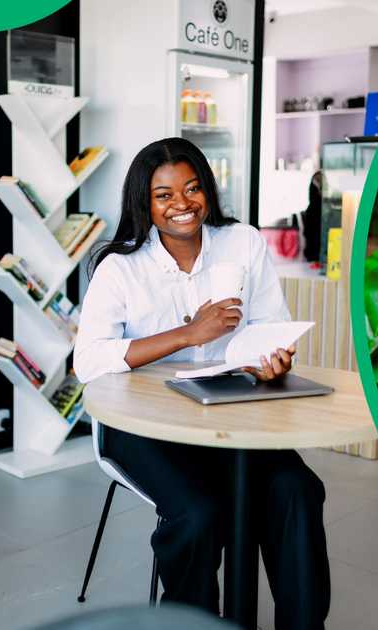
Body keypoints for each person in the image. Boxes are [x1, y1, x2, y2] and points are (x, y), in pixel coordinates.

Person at [74, 137, 330, 629]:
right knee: (197, 513)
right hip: (141, 425)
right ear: (144, 203)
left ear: (207, 190)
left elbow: (266, 325)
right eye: (164, 195)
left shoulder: (242, 242)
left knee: (297, 489)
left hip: (230, 412)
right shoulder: (121, 267)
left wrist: (267, 360)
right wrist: (189, 334)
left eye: (192, 189)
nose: (182, 204)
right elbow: (88, 361)